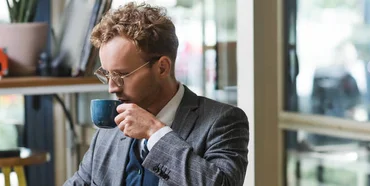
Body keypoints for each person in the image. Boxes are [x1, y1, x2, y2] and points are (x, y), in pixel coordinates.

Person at [63, 2, 249, 186]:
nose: (112, 87)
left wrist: (155, 132)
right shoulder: (108, 132)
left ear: (162, 68)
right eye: (107, 74)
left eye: (121, 75)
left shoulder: (223, 121)